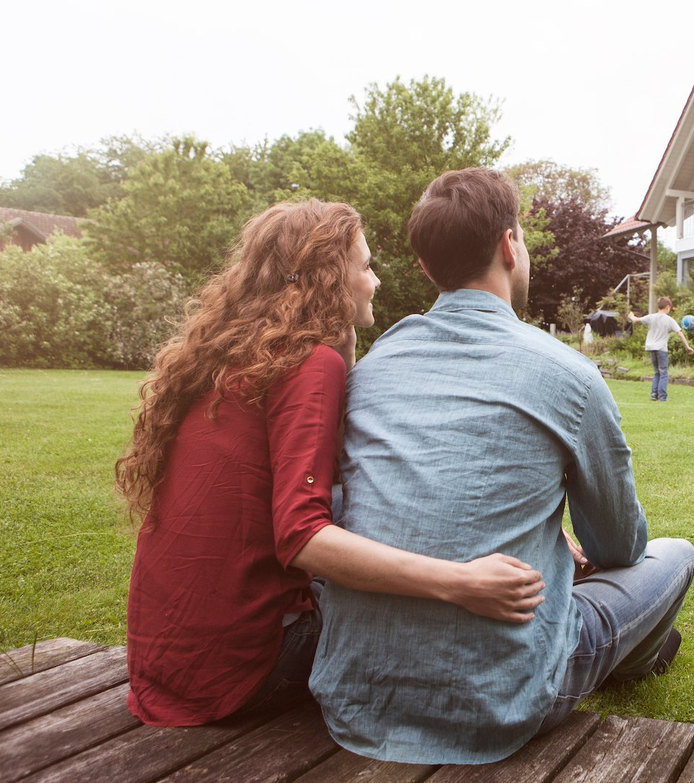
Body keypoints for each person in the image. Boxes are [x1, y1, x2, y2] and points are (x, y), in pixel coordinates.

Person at [310, 168, 694, 765]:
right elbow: (619, 547)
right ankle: (639, 656)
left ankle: (638, 646)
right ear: (509, 244)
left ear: (424, 266)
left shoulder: (376, 363)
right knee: (674, 555)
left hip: (355, 697)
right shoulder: (568, 374)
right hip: (507, 698)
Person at [119, 199, 545, 727]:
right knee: (418, 608)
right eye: (365, 267)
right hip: (245, 670)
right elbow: (301, 537)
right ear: (328, 279)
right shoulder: (307, 363)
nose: (376, 282)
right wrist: (459, 581)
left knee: (356, 504)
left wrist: (344, 351)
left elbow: (341, 473)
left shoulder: (233, 356)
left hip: (166, 664)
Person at [628, 297, 694, 402]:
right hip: (661, 349)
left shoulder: (651, 317)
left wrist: (631, 316)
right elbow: (680, 334)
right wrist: (687, 347)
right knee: (663, 373)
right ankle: (663, 397)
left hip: (651, 348)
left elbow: (636, 320)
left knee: (656, 372)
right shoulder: (669, 320)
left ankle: (654, 394)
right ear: (668, 307)